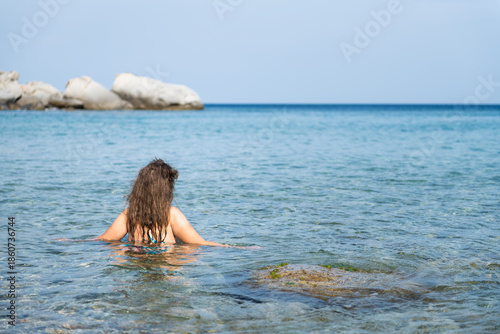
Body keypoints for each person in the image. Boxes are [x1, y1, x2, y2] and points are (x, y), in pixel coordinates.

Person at [95, 158, 224, 246]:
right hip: (166, 266)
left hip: (137, 266)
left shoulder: (129, 215)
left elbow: (103, 240)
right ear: (165, 190)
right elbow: (199, 244)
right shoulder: (171, 215)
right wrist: (233, 247)